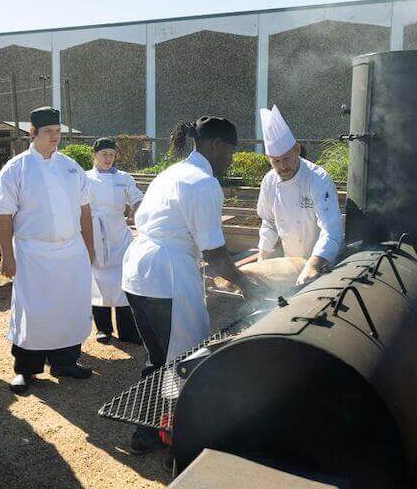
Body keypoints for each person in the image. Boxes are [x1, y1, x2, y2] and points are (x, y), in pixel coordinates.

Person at [121, 116, 266, 454]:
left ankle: (147, 432)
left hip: (138, 272)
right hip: (164, 275)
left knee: (159, 357)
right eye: (230, 152)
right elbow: (215, 254)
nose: (230, 160)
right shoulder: (202, 182)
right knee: (182, 358)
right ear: (215, 145)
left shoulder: (172, 172)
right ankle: (170, 435)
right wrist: (247, 285)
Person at [0, 106, 95, 394]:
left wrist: (89, 249)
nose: (55, 138)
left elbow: (84, 211)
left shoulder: (71, 167)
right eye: (49, 132)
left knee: (69, 308)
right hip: (32, 253)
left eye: (58, 132)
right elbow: (4, 216)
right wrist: (7, 255)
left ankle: (65, 361)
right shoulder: (16, 169)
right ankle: (26, 369)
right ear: (33, 133)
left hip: (70, 251)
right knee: (32, 311)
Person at [256, 105, 344, 285]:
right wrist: (262, 256)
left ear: (296, 150)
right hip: (291, 264)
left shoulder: (318, 179)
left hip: (322, 263)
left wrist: (314, 264)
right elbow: (269, 222)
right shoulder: (269, 181)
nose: (282, 167)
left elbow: (331, 228)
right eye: (276, 161)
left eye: (286, 159)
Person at [86, 137, 144, 345]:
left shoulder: (124, 178)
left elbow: (137, 198)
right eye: (104, 154)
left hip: (119, 235)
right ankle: (103, 329)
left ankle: (128, 331)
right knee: (98, 280)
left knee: (124, 281)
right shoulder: (85, 178)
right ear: (95, 156)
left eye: (111, 154)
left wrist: (140, 211)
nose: (108, 158)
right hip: (94, 233)